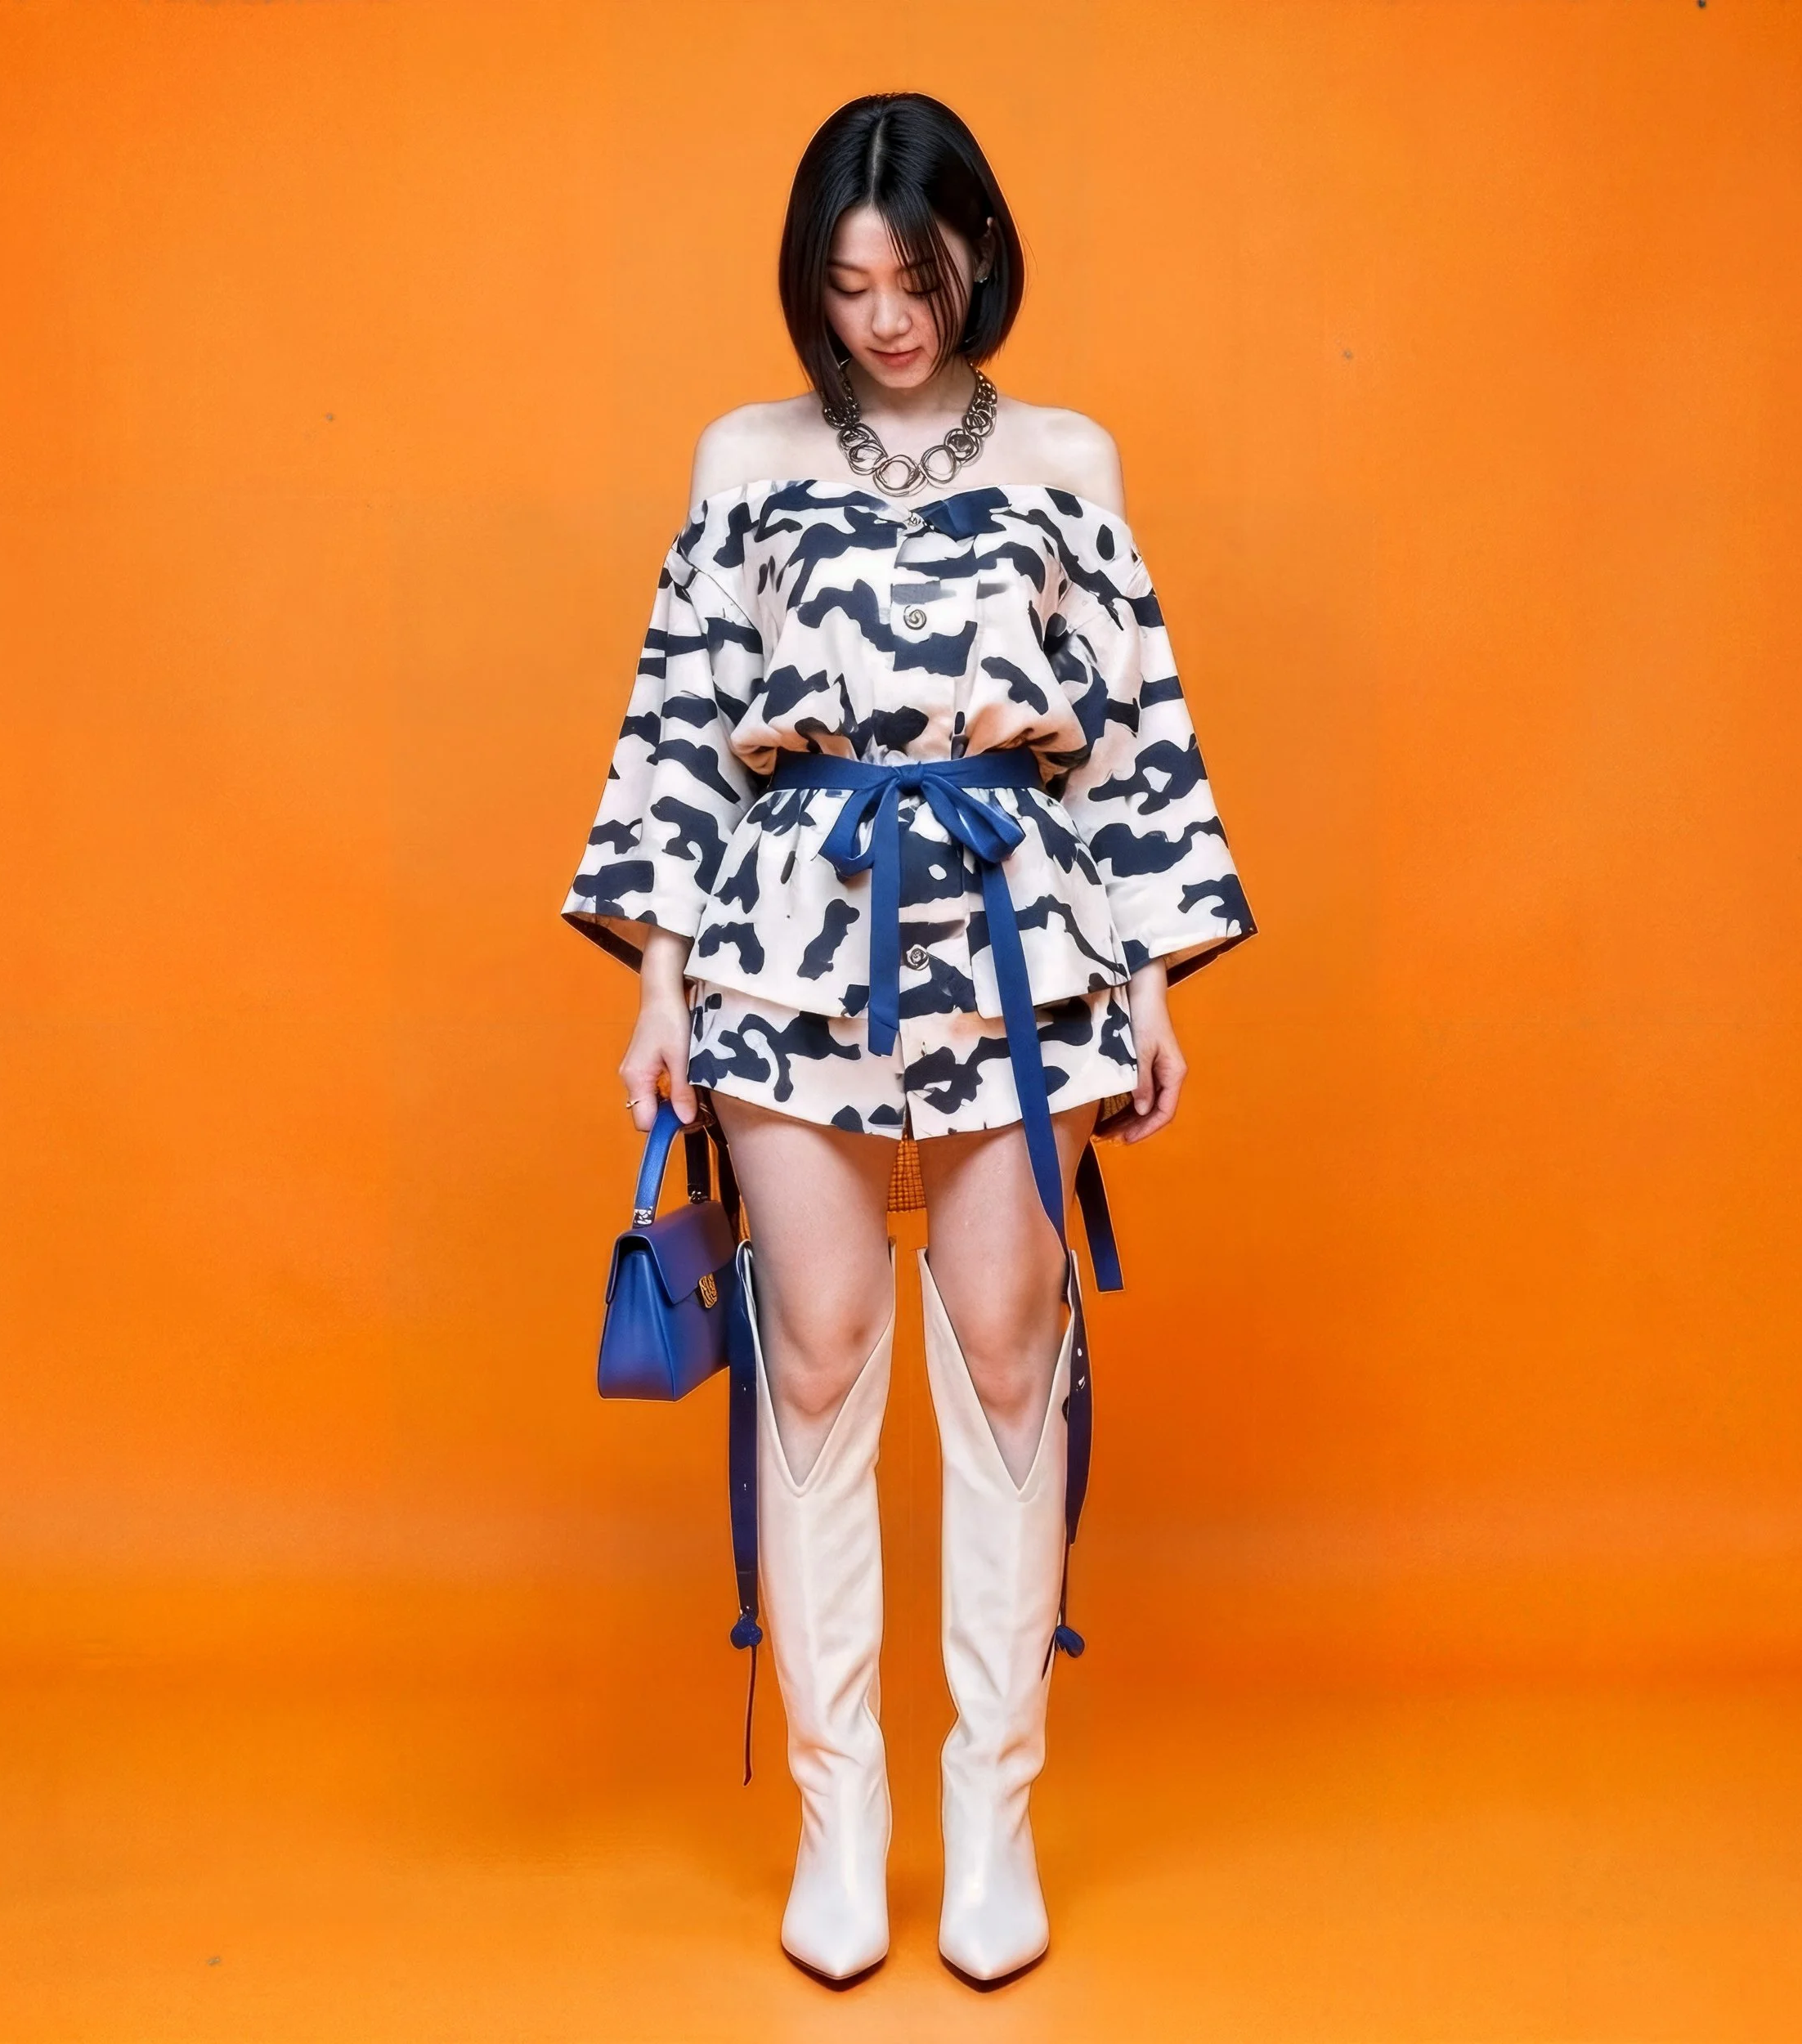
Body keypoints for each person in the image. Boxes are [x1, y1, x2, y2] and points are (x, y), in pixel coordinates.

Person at [564, 92, 1252, 1988]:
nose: (886, 318)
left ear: (972, 257)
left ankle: (993, 1807)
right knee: (813, 1349)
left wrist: (1152, 976)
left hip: (1018, 937)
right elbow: (684, 721)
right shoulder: (744, 455)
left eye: (918, 275)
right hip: (786, 937)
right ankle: (838, 1812)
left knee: (1011, 1349)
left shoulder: (1062, 454)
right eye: (849, 282)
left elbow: (1128, 728)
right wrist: (657, 980)